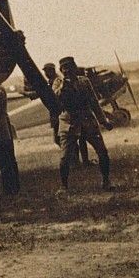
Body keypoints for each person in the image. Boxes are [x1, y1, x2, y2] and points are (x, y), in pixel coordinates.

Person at [52, 56, 114, 192]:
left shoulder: (84, 81)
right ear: (61, 71)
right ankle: (64, 187)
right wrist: (64, 85)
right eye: (64, 68)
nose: (68, 70)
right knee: (65, 156)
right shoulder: (58, 83)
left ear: (75, 67)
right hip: (68, 121)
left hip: (87, 120)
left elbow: (94, 103)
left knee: (102, 151)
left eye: (70, 67)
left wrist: (104, 121)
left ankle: (106, 181)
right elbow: (56, 98)